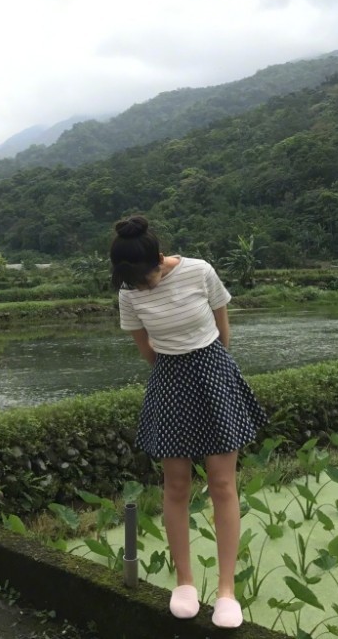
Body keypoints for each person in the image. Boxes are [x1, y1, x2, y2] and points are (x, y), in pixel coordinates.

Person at [109, 215, 267, 629]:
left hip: (214, 370)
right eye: (136, 283)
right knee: (176, 484)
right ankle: (185, 583)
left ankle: (227, 591)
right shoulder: (129, 293)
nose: (145, 288)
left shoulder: (200, 271)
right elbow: (146, 349)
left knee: (222, 484)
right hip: (169, 379)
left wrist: (214, 373)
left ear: (160, 258)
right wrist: (175, 374)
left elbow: (222, 328)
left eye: (148, 278)